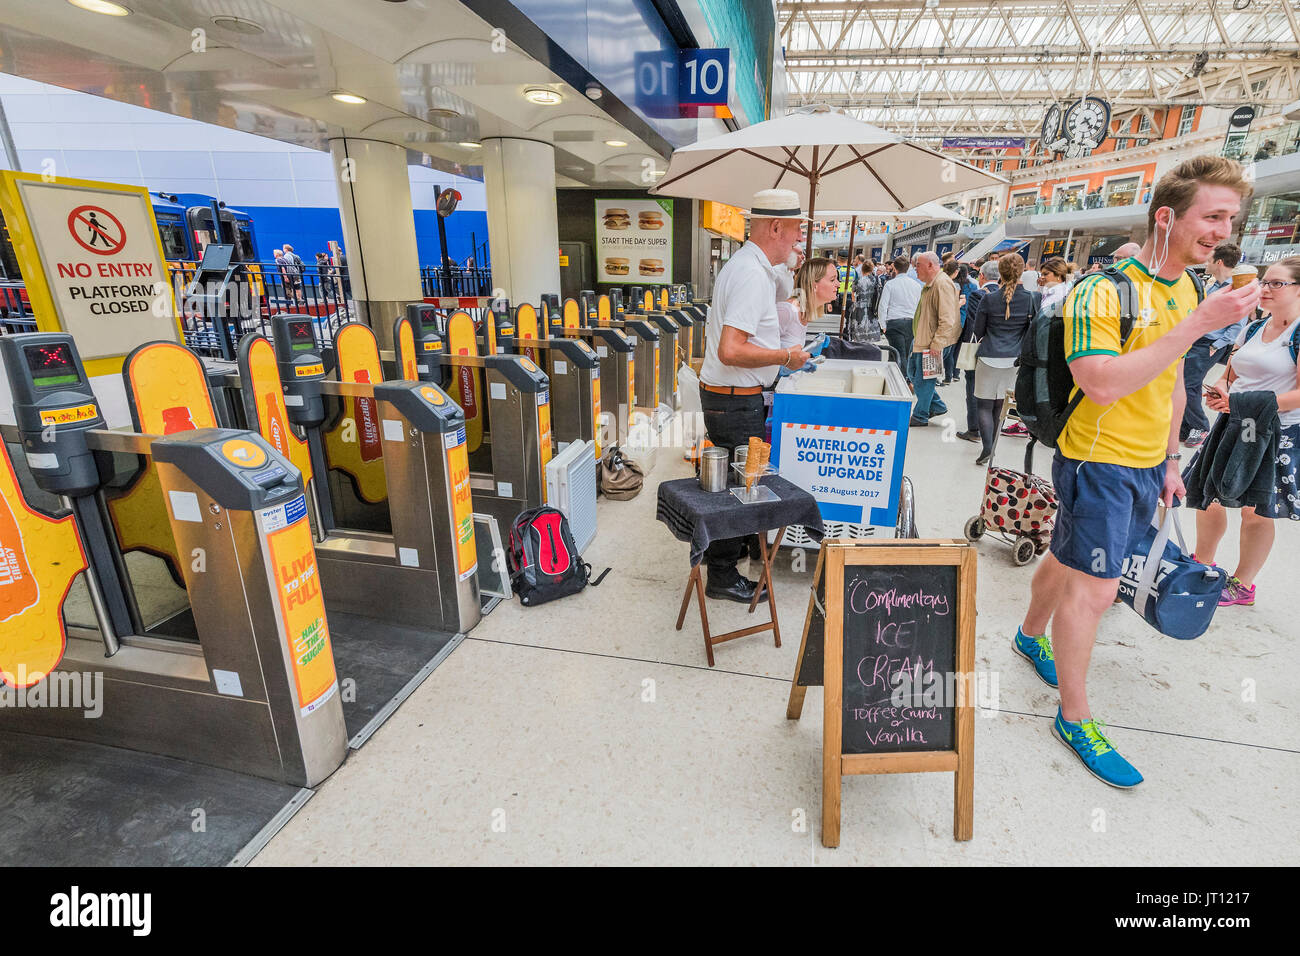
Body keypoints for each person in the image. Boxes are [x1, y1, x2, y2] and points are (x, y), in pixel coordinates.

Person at [1013, 155, 1260, 789]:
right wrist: (1202, 325)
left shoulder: (1186, 289)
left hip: (1149, 461)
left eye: (1230, 219)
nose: (1221, 232)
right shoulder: (1101, 290)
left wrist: (1173, 456)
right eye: (1212, 217)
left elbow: (1174, 379)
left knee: (1071, 559)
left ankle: (1029, 634)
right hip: (1099, 459)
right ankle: (1074, 716)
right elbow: (1099, 384)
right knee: (1095, 589)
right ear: (1166, 217)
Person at [698, 188, 811, 604]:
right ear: (775, 226)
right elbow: (732, 348)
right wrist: (785, 355)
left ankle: (727, 553)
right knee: (740, 487)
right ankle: (723, 575)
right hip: (734, 399)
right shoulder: (750, 274)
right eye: (796, 230)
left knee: (735, 481)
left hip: (728, 395)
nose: (799, 238)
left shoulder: (750, 267)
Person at [1187, 256, 1300, 607]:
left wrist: (1241, 403)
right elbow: (1230, 372)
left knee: (1257, 509)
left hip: (1276, 431)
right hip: (1236, 424)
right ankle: (1202, 562)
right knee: (1211, 495)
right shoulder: (1252, 328)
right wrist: (1221, 388)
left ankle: (1242, 584)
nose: (1263, 289)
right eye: (1264, 282)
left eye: (1275, 283)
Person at [1180, 241, 1250, 448]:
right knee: (1183, 383)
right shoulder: (1215, 285)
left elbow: (1238, 324)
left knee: (1189, 385)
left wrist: (1216, 344)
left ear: (1218, 262)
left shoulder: (1236, 288)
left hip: (1209, 344)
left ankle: (1199, 426)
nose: (1206, 263)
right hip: (1197, 341)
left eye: (1209, 259)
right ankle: (1187, 427)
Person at [970, 253, 1036, 463]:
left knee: (983, 405)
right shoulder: (1032, 298)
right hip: (1014, 359)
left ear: (1000, 272)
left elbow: (978, 331)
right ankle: (993, 445)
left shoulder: (988, 298)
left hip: (988, 356)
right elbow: (1031, 331)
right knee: (1000, 406)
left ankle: (988, 447)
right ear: (1022, 270)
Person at [908, 252, 960, 426]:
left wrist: (937, 344)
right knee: (914, 373)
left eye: (918, 266)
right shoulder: (932, 283)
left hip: (932, 342)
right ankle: (936, 405)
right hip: (921, 339)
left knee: (924, 379)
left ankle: (920, 415)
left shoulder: (942, 284)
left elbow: (947, 319)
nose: (915, 269)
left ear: (930, 265)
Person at [956, 261, 1002, 443]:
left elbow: (975, 325)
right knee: (995, 393)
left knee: (973, 388)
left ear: (981, 275)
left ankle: (974, 429)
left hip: (979, 349)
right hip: (1002, 353)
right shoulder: (1008, 294)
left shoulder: (978, 295)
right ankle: (990, 433)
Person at [779, 256, 836, 347]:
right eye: (832, 280)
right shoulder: (787, 310)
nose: (838, 284)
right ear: (814, 285)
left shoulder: (803, 312)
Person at [879, 254, 921, 379]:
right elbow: (920, 307)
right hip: (911, 322)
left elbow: (883, 306)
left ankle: (901, 380)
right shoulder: (917, 286)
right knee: (905, 353)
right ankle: (896, 378)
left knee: (897, 352)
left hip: (894, 321)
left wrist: (883, 324)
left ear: (894, 268)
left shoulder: (890, 284)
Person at [940, 261, 967, 384]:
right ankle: (954, 374)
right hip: (962, 320)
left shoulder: (949, 284)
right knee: (954, 350)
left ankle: (947, 376)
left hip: (952, 321)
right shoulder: (969, 285)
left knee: (948, 351)